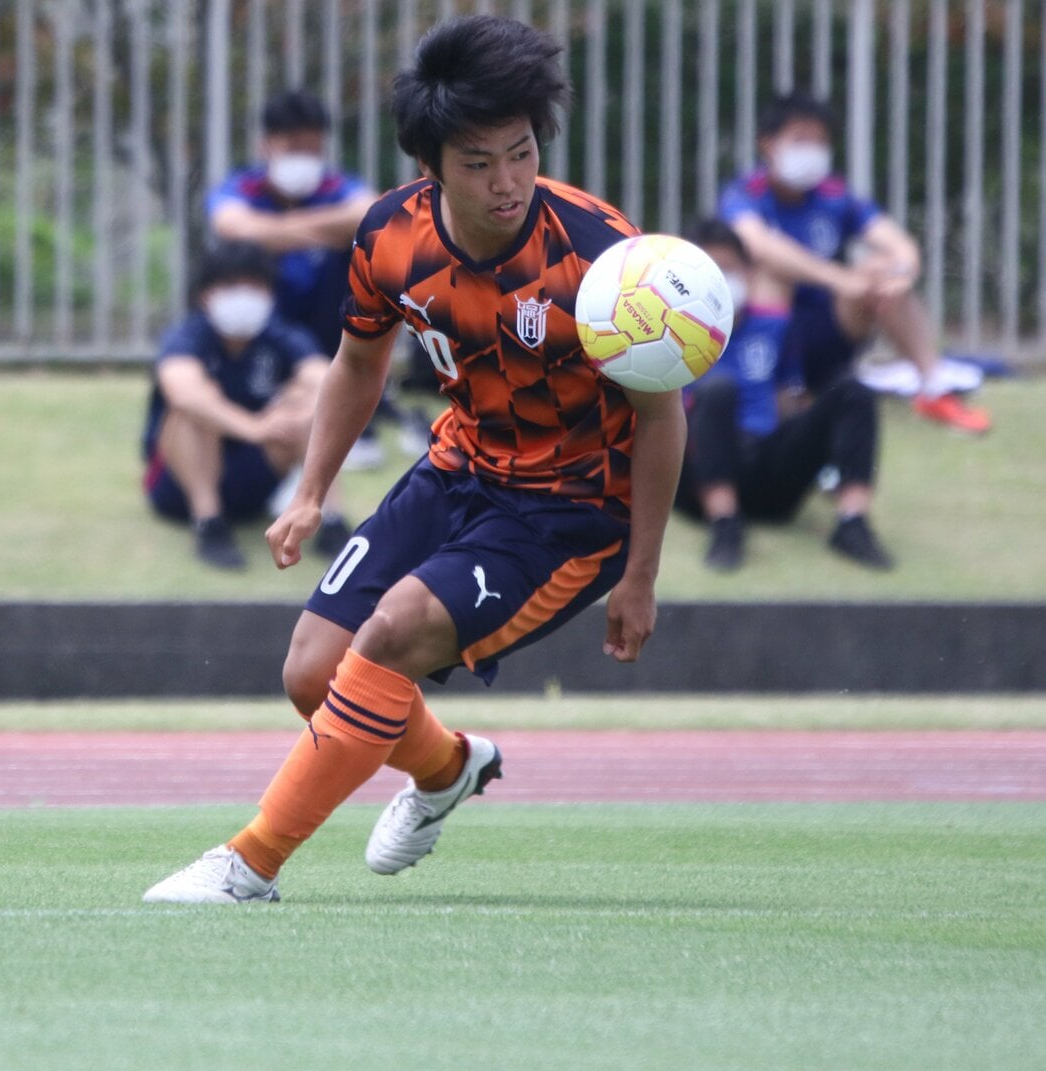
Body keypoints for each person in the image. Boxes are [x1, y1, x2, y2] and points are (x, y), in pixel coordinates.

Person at [144, 14, 685, 904]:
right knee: (312, 671)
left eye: (521, 153)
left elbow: (662, 418)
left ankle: (249, 864)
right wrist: (311, 491)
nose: (508, 182)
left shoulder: (600, 259)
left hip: (567, 513)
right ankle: (447, 769)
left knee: (388, 635)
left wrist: (641, 574)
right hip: (456, 470)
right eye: (479, 163)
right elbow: (358, 362)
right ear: (429, 166)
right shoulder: (389, 236)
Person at [719, 92, 989, 435]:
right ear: (768, 145)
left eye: (820, 141)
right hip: (764, 329)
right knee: (773, 274)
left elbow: (900, 245)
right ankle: (775, 397)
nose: (812, 151)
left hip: (831, 327)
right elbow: (758, 245)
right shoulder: (744, 194)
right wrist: (838, 278)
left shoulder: (834, 195)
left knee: (882, 270)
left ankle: (933, 386)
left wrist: (900, 274)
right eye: (800, 139)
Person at [676, 220, 892, 572]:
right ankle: (724, 524)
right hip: (697, 469)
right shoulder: (669, 333)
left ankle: (853, 522)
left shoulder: (776, 328)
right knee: (718, 390)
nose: (722, 281)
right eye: (711, 271)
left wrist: (815, 448)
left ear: (749, 272)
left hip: (767, 469)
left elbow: (791, 400)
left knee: (853, 390)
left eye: (729, 270)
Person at [208, 89, 394, 470]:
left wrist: (276, 230)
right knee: (236, 264)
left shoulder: (336, 185)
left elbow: (373, 214)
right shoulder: (241, 186)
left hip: (329, 317)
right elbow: (231, 225)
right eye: (293, 148)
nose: (303, 159)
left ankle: (352, 415)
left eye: (312, 149)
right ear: (266, 145)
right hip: (266, 316)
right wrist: (328, 227)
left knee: (360, 260)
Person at [143, 240, 349, 571]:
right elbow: (182, 392)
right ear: (205, 294)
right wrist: (253, 427)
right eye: (231, 286)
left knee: (308, 403)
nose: (244, 296)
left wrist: (291, 402)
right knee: (194, 409)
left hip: (256, 477)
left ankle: (332, 519)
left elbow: (328, 381)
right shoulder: (188, 337)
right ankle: (208, 522)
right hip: (177, 486)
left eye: (254, 286)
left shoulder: (280, 335)